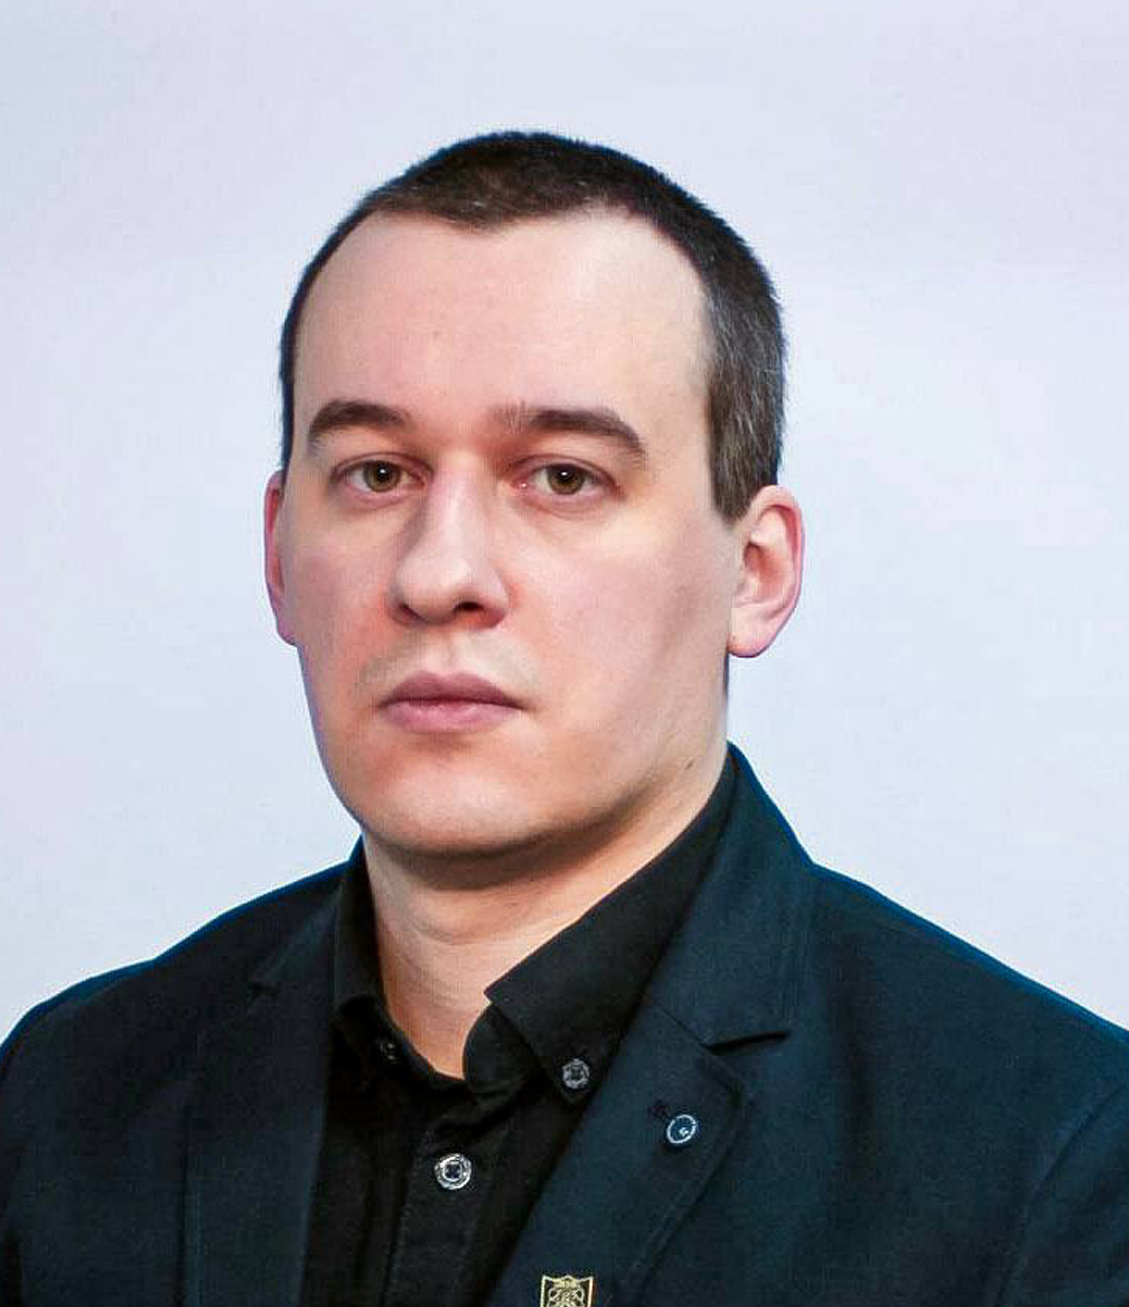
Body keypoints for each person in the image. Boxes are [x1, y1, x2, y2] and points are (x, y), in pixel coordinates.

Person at [1, 131, 1127, 1307]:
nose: (438, 573)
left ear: (753, 571)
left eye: (561, 476)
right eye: (377, 472)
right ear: (279, 556)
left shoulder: (1059, 1159)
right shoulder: (65, 1096)